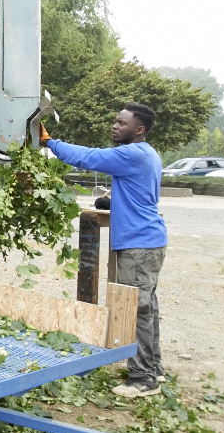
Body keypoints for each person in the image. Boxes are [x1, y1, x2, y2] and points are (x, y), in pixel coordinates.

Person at [39, 103, 167, 398]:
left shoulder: (131, 153)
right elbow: (145, 193)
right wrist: (115, 202)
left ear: (139, 130)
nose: (115, 126)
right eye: (115, 121)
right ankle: (154, 369)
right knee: (147, 308)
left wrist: (49, 142)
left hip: (139, 243)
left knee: (136, 309)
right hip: (150, 241)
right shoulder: (149, 153)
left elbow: (88, 157)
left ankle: (143, 378)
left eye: (122, 123)